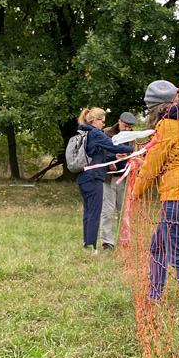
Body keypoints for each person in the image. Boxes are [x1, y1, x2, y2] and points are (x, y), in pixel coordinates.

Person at [131, 80, 179, 303]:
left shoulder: (167, 125)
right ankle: (154, 295)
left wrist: (136, 191)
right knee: (158, 246)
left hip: (178, 197)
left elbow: (153, 166)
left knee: (178, 254)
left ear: (153, 107)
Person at [75, 107, 134, 254]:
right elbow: (111, 146)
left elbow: (101, 157)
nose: (103, 124)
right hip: (99, 177)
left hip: (100, 177)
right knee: (100, 212)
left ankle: (90, 244)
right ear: (95, 120)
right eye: (102, 121)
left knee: (95, 212)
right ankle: (98, 245)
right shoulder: (98, 133)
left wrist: (116, 157)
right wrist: (133, 151)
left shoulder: (85, 132)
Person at [99, 111, 137, 250]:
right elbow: (100, 152)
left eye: (130, 127)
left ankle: (125, 241)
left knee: (124, 211)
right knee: (107, 211)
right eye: (125, 126)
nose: (128, 129)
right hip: (108, 178)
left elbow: (136, 152)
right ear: (119, 121)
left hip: (125, 178)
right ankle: (107, 242)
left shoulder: (133, 137)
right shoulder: (106, 133)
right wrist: (111, 159)